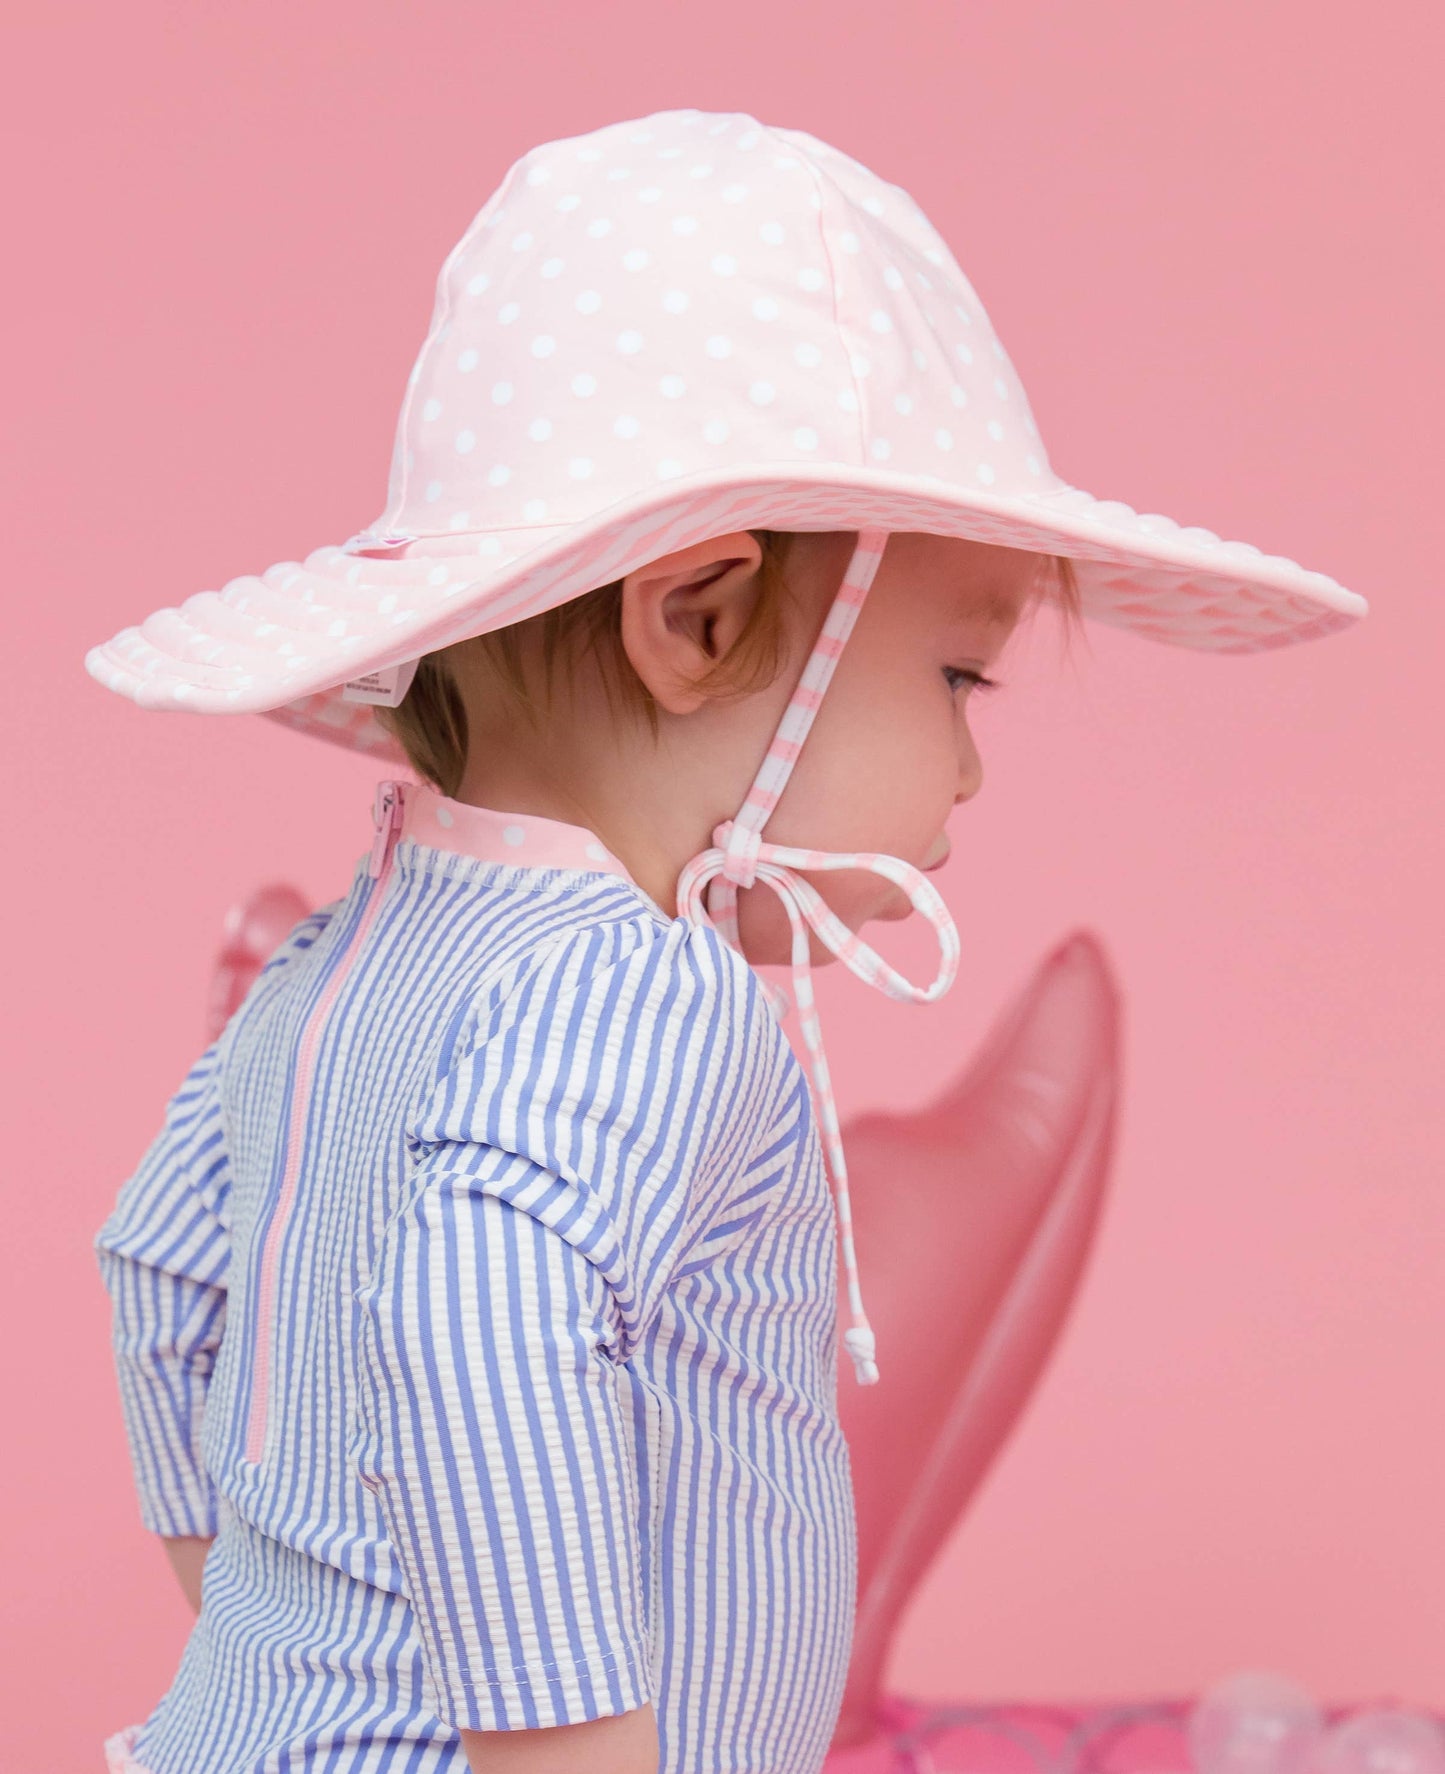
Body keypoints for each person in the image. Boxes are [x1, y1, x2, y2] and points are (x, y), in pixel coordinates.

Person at [86, 109, 1366, 1774]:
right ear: (698, 619)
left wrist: (252, 1649)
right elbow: (481, 1319)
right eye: (955, 680)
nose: (973, 761)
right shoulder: (642, 981)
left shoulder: (341, 960)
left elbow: (158, 1260)